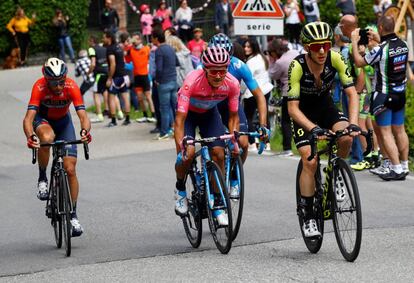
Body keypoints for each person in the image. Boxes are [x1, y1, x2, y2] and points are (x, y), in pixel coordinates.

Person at [288, 22, 360, 237]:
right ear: (307, 47)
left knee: (346, 137)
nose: (321, 51)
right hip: (303, 113)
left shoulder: (336, 58)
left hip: (326, 107)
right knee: (309, 160)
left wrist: (353, 123)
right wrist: (314, 129)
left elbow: (352, 93)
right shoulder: (297, 66)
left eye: (326, 46)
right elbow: (292, 109)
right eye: (316, 46)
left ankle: (337, 172)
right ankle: (309, 214)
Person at [23, 58, 92, 236]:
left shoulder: (71, 86)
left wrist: (85, 131)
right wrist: (30, 136)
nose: (59, 85)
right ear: (47, 79)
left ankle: (73, 216)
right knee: (47, 137)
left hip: (63, 123)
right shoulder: (39, 87)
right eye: (54, 82)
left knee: (70, 169)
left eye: (61, 81)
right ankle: (42, 179)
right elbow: (28, 118)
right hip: (43, 121)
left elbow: (83, 115)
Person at [174, 46, 240, 226]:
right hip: (188, 115)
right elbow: (179, 121)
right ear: (205, 69)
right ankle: (180, 188)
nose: (219, 75)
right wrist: (180, 148)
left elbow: (234, 117)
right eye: (214, 72)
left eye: (223, 71)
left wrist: (233, 139)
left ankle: (217, 203)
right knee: (187, 153)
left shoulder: (232, 83)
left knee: (219, 153)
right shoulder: (192, 81)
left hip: (209, 114)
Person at [351, 16, 410, 180]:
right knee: (399, 130)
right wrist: (379, 39)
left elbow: (358, 62)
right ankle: (404, 165)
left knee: (384, 132)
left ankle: (396, 168)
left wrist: (355, 42)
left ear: (381, 27)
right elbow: (390, 47)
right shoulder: (403, 44)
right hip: (400, 93)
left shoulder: (380, 49)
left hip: (383, 95)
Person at [209, 33, 269, 165]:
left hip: (231, 106)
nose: (221, 61)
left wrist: (263, 126)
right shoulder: (203, 67)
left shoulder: (239, 66)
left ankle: (236, 176)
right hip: (211, 106)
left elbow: (259, 95)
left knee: (243, 143)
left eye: (226, 56)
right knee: (215, 150)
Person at [268, 38, 300, 156]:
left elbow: (272, 74)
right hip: (302, 90)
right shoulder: (294, 53)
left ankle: (287, 148)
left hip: (289, 93)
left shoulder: (280, 62)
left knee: (286, 121)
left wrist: (271, 61)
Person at [242, 38, 273, 149]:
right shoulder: (263, 58)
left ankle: (252, 142)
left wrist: (241, 92)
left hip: (253, 92)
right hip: (266, 89)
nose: (246, 49)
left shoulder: (250, 62)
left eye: (248, 47)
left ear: (254, 47)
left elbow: (246, 80)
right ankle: (267, 142)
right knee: (264, 117)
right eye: (245, 46)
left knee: (248, 117)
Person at [152, 29, 179, 139]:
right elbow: (177, 63)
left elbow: (159, 68)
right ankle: (176, 129)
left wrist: (157, 80)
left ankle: (164, 132)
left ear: (156, 39)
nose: (152, 40)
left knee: (164, 108)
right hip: (173, 80)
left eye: (152, 38)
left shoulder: (159, 50)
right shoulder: (170, 48)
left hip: (164, 83)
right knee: (175, 107)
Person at [103, 31, 131, 127]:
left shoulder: (110, 49)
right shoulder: (119, 47)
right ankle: (127, 118)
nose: (103, 39)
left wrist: (110, 78)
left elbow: (113, 64)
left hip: (116, 77)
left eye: (104, 37)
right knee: (125, 96)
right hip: (124, 75)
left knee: (111, 97)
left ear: (109, 38)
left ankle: (113, 120)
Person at [127, 32, 156, 123]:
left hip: (144, 75)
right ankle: (145, 115)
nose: (134, 40)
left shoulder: (146, 48)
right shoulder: (131, 50)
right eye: (133, 38)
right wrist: (129, 43)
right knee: (139, 97)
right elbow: (126, 58)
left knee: (148, 96)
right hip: (136, 76)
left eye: (135, 38)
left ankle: (153, 114)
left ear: (140, 39)